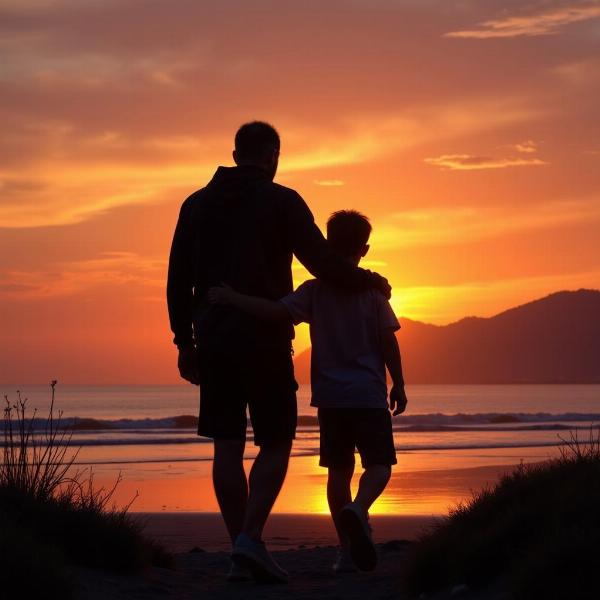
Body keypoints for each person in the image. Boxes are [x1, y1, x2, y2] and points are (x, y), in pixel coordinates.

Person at [166, 122, 392, 583]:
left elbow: (177, 281)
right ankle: (249, 540)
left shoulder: (195, 204)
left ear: (234, 153)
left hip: (213, 339)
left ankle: (241, 551)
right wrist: (370, 279)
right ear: (272, 154)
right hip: (264, 340)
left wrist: (183, 342)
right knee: (276, 441)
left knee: (226, 446)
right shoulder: (281, 200)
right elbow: (322, 263)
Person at [208, 209, 408, 574]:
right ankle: (360, 510)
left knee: (338, 472)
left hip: (331, 399)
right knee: (379, 465)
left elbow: (273, 313)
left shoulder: (314, 292)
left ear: (327, 246)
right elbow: (388, 342)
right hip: (368, 395)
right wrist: (400, 383)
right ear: (364, 249)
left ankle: (347, 552)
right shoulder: (374, 294)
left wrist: (234, 298)